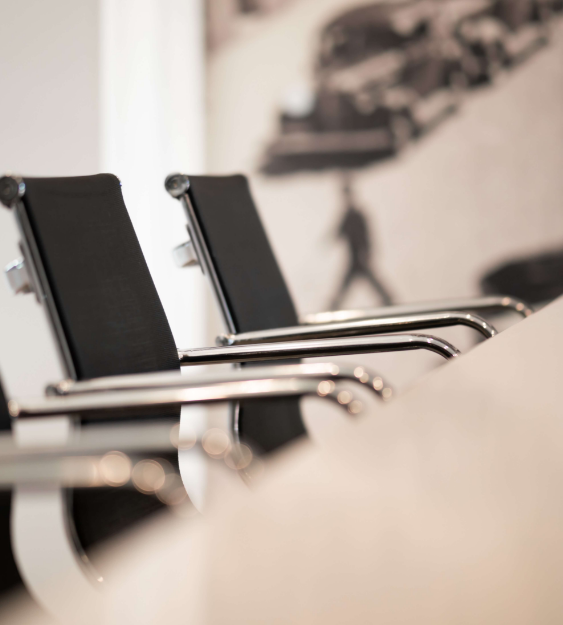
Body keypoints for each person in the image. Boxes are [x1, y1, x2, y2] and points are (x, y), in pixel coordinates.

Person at [329, 174, 393, 310]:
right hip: (353, 259)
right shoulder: (347, 216)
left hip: (360, 257)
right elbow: (338, 232)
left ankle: (389, 302)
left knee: (370, 281)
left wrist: (368, 251)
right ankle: (333, 308)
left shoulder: (358, 215)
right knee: (346, 285)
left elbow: (367, 235)